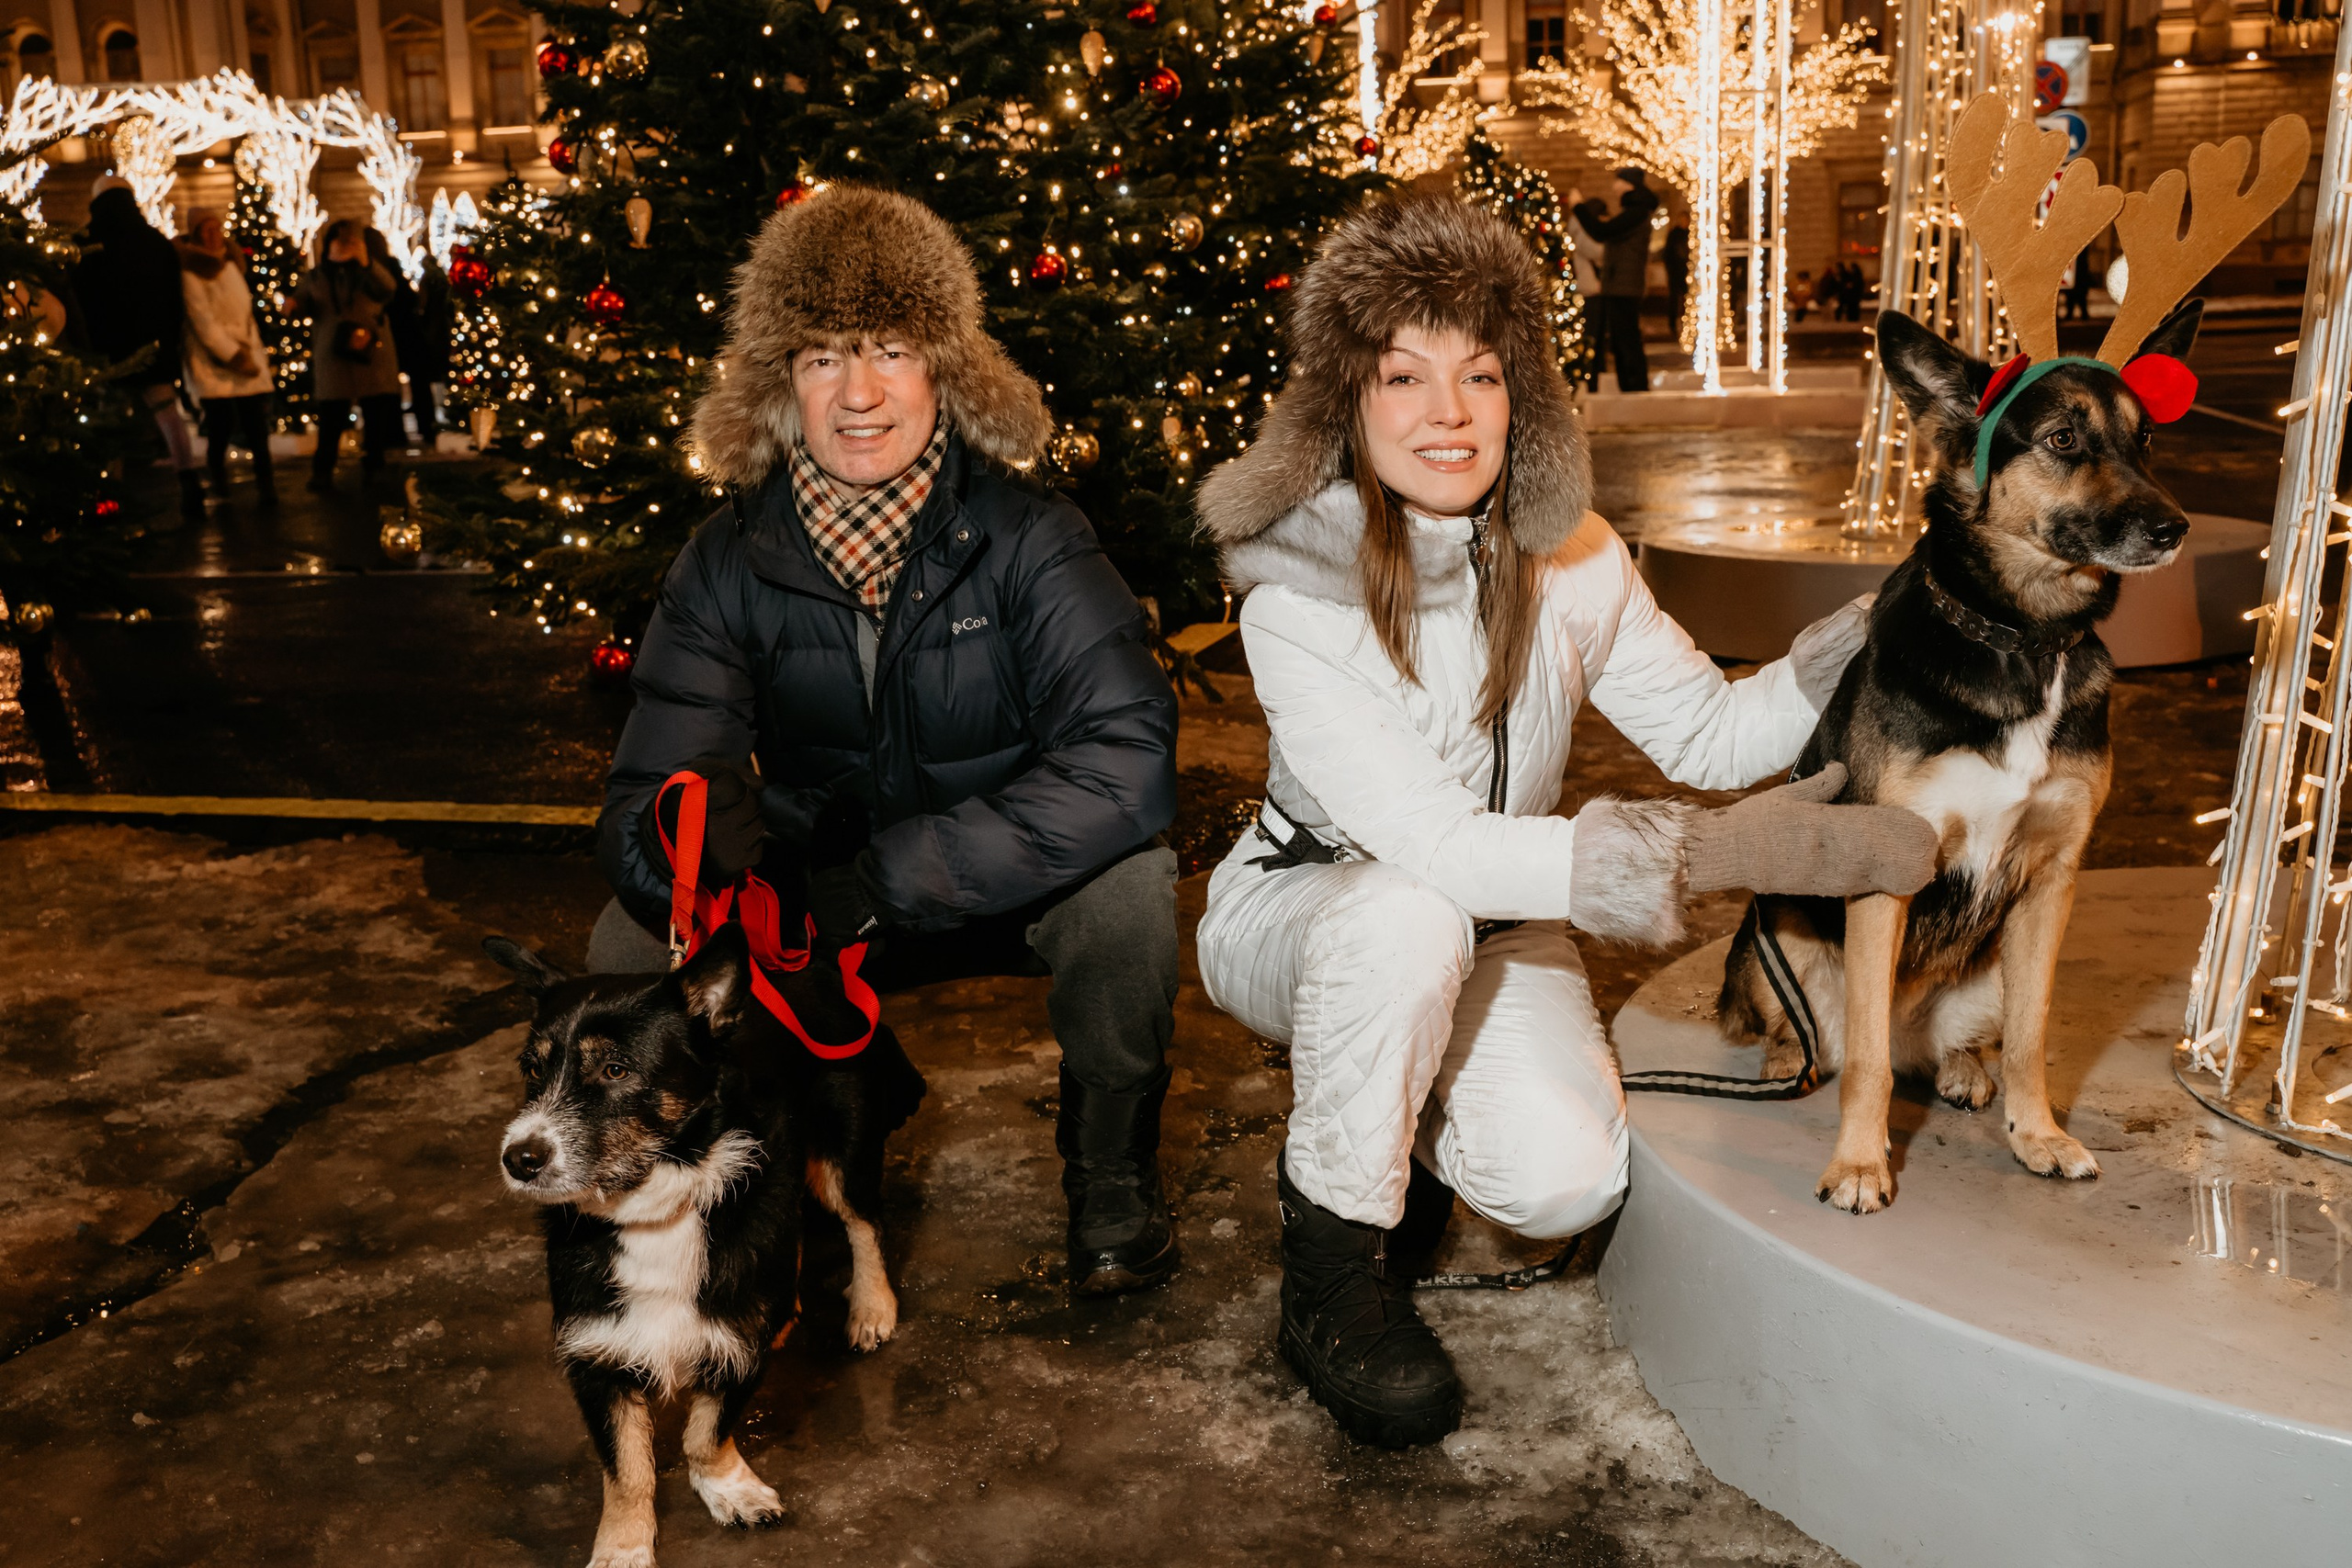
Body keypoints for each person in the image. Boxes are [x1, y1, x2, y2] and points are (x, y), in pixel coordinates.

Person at [1193, 196, 1937, 1449]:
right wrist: (1702, 854)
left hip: (1500, 920)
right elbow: (1429, 847)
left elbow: (1708, 733)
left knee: (1563, 1175)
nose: (1448, 411)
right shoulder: (1297, 587)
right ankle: (1327, 1278)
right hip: (1312, 905)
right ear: (1348, 403)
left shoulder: (1576, 556)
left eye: (1480, 374)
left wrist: (1849, 645)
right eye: (1405, 375)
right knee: (1406, 917)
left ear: (1520, 394)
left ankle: (1401, 1102)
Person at [589, 186, 1184, 1298]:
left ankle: (1111, 1170)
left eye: (892, 351)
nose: (858, 394)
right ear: (781, 388)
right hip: (812, 898)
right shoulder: (726, 558)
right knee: (630, 945)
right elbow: (643, 794)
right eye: (821, 358)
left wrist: (893, 876)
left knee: (1131, 895)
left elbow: (1126, 758)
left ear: (945, 374)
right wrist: (708, 859)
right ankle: (701, 1194)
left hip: (1006, 876)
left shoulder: (1029, 538)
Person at [74, 175, 204, 519]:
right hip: (153, 349)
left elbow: (79, 301)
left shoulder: (86, 242)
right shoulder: (155, 242)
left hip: (105, 352)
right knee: (167, 414)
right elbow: (175, 299)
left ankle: (109, 497)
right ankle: (188, 481)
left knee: (109, 421)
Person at [175, 208, 277, 507]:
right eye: (207, 229)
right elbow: (202, 320)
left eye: (217, 228)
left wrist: (251, 351)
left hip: (246, 353)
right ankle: (218, 477)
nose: (214, 234)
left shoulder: (231, 263)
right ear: (195, 234)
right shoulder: (191, 271)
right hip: (216, 361)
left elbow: (245, 314)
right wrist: (232, 355)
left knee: (257, 426)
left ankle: (266, 485)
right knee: (221, 425)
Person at [294, 218, 401, 491]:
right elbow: (304, 303)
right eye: (340, 241)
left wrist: (365, 262)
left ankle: (375, 466)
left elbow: (389, 290)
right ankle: (323, 470)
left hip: (370, 351)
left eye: (352, 241)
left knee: (375, 414)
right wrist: (294, 306)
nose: (345, 247)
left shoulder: (372, 271)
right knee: (331, 417)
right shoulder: (317, 275)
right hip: (333, 352)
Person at [1569, 167, 1658, 392]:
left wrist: (1579, 207)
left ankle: (1635, 389)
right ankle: (1631, 388)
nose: (1614, 187)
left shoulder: (1636, 212)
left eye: (1618, 181)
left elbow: (1602, 231)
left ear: (1629, 185)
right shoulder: (1635, 211)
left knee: (1626, 341)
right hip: (1621, 284)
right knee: (1623, 340)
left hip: (1624, 286)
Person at [387, 249, 451, 441]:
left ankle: (423, 427)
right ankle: (427, 426)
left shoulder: (417, 286)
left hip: (409, 339)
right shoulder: (408, 286)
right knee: (420, 386)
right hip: (416, 340)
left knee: (415, 385)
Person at [1661, 220, 1690, 342]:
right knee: (1677, 298)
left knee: (1682, 298)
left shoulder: (1679, 235)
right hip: (1678, 271)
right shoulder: (1677, 235)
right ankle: (1675, 323)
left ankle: (1680, 322)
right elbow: (1668, 253)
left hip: (1680, 271)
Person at [2062, 245, 2095, 322]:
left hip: (2078, 276)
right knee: (2077, 297)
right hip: (2078, 276)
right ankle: (2080, 314)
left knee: (2077, 297)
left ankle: (2078, 314)